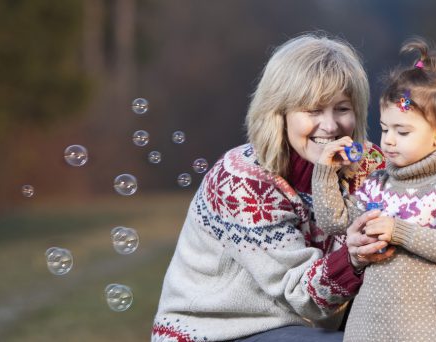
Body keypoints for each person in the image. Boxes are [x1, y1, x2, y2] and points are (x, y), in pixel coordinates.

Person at [151, 32, 391, 342]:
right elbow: (302, 295)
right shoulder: (242, 181)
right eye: (313, 110)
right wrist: (354, 256)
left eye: (342, 109)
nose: (330, 126)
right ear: (280, 113)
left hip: (303, 331)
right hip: (216, 333)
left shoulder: (368, 167)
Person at [310, 37, 436, 342]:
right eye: (385, 128)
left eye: (402, 132)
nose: (387, 140)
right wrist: (325, 170)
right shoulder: (377, 185)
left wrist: (397, 231)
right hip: (367, 329)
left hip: (425, 331)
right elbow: (334, 221)